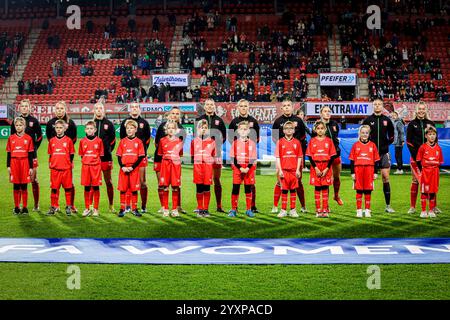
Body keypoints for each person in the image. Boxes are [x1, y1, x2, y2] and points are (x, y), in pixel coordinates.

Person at [272, 100, 307, 213]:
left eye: (288, 106)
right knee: (279, 181)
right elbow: (274, 138)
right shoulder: (277, 122)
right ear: (281, 108)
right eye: (284, 106)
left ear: (292, 107)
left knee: (298, 182)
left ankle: (302, 206)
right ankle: (276, 206)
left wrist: (296, 151)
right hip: (282, 159)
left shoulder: (298, 121)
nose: (287, 108)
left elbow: (302, 137)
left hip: (296, 158)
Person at [362, 98, 395, 213]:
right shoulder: (367, 120)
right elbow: (363, 136)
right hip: (370, 155)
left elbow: (392, 135)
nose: (377, 106)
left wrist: (386, 144)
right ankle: (367, 207)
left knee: (385, 177)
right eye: (375, 104)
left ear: (382, 106)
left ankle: (388, 205)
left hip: (384, 153)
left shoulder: (387, 120)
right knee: (369, 179)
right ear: (373, 106)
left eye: (379, 104)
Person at [406, 101, 439, 214]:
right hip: (415, 159)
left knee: (432, 182)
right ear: (416, 110)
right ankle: (412, 207)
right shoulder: (411, 124)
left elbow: (436, 142)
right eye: (419, 109)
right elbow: (409, 142)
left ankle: (433, 207)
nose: (421, 111)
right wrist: (417, 158)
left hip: (430, 160)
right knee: (415, 181)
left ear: (426, 110)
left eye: (423, 109)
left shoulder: (431, 124)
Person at [228, 99, 260, 213]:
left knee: (251, 185)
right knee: (236, 187)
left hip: (249, 159)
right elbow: (231, 139)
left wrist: (249, 150)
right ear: (238, 107)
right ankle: (234, 208)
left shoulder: (254, 121)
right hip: (238, 160)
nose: (243, 108)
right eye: (241, 106)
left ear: (248, 107)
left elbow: (257, 139)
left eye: (245, 106)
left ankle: (252, 207)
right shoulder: (234, 122)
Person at [11, 99, 43, 212]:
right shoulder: (15, 122)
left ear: (29, 107)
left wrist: (33, 149)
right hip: (18, 157)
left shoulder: (34, 121)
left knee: (33, 180)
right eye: (22, 106)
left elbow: (39, 137)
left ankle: (36, 204)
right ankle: (18, 206)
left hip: (31, 156)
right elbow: (12, 139)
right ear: (19, 108)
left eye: (26, 106)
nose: (24, 108)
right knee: (18, 181)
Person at [195, 99, 227, 212]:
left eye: (211, 105)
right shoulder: (199, 120)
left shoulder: (219, 120)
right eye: (207, 105)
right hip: (202, 156)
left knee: (216, 179)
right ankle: (200, 206)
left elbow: (224, 137)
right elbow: (196, 137)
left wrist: (214, 147)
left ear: (214, 106)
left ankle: (219, 206)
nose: (209, 106)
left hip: (216, 154)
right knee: (200, 180)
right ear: (204, 107)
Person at [46, 101, 78, 213]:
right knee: (54, 186)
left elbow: (73, 140)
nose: (59, 110)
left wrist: (67, 155)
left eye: (61, 108)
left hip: (66, 160)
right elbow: (50, 140)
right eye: (57, 108)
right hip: (56, 160)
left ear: (65, 109)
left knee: (69, 185)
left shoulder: (71, 123)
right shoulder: (50, 123)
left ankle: (71, 205)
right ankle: (55, 205)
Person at [119, 102, 151, 213]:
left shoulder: (144, 123)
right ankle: (128, 205)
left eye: (136, 107)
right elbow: (122, 138)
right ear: (129, 110)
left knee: (142, 182)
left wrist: (141, 152)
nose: (134, 109)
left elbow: (147, 140)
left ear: (139, 109)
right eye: (132, 107)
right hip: (128, 158)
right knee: (127, 183)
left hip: (140, 158)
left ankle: (143, 205)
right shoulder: (124, 123)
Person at [154, 107, 186, 213]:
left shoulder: (181, 129)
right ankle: (163, 206)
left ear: (179, 115)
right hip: (161, 159)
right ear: (169, 114)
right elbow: (157, 143)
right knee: (162, 183)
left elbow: (181, 148)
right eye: (173, 113)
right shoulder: (162, 126)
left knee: (176, 184)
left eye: (177, 113)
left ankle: (177, 206)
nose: (175, 115)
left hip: (174, 161)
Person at [312, 105, 344, 206]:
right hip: (324, 157)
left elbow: (336, 138)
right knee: (326, 180)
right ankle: (326, 205)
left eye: (329, 111)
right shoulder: (317, 125)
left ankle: (336, 196)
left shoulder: (334, 124)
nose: (327, 113)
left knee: (337, 177)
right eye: (325, 111)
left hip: (336, 155)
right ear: (321, 113)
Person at [306, 120, 337, 218]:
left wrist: (327, 169)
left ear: (325, 129)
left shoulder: (329, 141)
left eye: (322, 128)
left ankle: (325, 210)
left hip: (326, 167)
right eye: (318, 128)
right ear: (315, 130)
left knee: (325, 188)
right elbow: (310, 156)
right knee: (317, 188)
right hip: (316, 167)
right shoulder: (312, 141)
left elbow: (332, 156)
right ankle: (318, 210)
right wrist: (315, 168)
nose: (320, 130)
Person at [349, 125, 380, 218]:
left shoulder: (373, 145)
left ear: (369, 134)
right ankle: (359, 210)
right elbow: (352, 160)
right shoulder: (355, 145)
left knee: (368, 190)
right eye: (363, 133)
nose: (364, 134)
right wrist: (352, 173)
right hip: (358, 170)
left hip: (369, 170)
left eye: (366, 133)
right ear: (359, 133)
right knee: (359, 190)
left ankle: (367, 210)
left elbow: (376, 160)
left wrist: (375, 172)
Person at [116, 119, 145, 218]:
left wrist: (132, 167)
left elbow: (141, 156)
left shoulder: (139, 142)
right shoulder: (122, 141)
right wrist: (123, 167)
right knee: (123, 189)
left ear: (135, 129)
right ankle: (122, 208)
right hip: (123, 169)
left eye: (131, 128)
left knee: (134, 189)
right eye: (127, 128)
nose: (129, 130)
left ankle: (134, 208)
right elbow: (119, 156)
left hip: (134, 169)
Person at [275, 121, 303, 218]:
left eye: (291, 128)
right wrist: (280, 170)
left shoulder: (297, 142)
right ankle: (283, 210)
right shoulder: (280, 142)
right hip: (284, 171)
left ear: (294, 130)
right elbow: (278, 157)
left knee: (293, 190)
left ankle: (293, 210)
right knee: (284, 190)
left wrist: (298, 170)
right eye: (286, 128)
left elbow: (299, 156)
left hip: (293, 171)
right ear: (283, 130)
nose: (289, 130)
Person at [7, 117, 34, 214]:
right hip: (14, 163)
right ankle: (17, 207)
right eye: (17, 125)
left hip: (25, 162)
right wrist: (8, 166)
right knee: (16, 186)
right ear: (15, 126)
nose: (18, 127)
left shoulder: (28, 138)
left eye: (20, 125)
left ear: (24, 126)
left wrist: (31, 167)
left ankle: (25, 207)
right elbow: (9, 153)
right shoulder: (11, 138)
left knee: (24, 186)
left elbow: (30, 154)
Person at [93, 102, 116, 212]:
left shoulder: (109, 124)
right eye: (96, 108)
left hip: (106, 158)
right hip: (93, 159)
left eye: (100, 108)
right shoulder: (91, 123)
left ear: (104, 110)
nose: (98, 110)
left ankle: (111, 205)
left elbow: (113, 141)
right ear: (94, 110)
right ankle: (94, 206)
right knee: (94, 183)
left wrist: (106, 151)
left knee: (108, 182)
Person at [157, 121, 184, 217]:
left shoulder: (179, 141)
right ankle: (165, 208)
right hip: (165, 164)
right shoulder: (162, 140)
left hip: (175, 165)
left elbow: (180, 154)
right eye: (169, 128)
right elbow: (160, 153)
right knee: (165, 186)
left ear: (176, 130)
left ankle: (174, 209)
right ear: (166, 130)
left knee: (175, 186)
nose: (171, 130)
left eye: (173, 128)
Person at [416, 126, 443, 218]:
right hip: (425, 172)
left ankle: (431, 210)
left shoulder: (438, 148)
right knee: (424, 191)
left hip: (435, 172)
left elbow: (440, 162)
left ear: (436, 136)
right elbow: (419, 161)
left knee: (432, 191)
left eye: (433, 134)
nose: (432, 136)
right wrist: (422, 172)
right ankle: (423, 211)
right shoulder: (423, 147)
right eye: (430, 134)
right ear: (426, 136)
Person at [191, 120, 216, 217]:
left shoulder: (212, 142)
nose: (204, 130)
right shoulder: (194, 141)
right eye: (202, 128)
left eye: (205, 128)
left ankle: (206, 209)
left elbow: (213, 155)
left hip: (208, 167)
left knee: (207, 187)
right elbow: (193, 155)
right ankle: (200, 209)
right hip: (198, 167)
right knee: (199, 188)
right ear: (198, 129)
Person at [79, 121, 104, 217]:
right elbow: (82, 155)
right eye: (88, 128)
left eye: (91, 128)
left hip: (96, 167)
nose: (89, 130)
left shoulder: (99, 141)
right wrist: (87, 161)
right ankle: (87, 208)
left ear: (95, 130)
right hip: (86, 166)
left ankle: (96, 209)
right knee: (86, 187)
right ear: (85, 130)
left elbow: (100, 155)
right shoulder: (82, 141)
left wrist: (95, 163)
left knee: (96, 187)